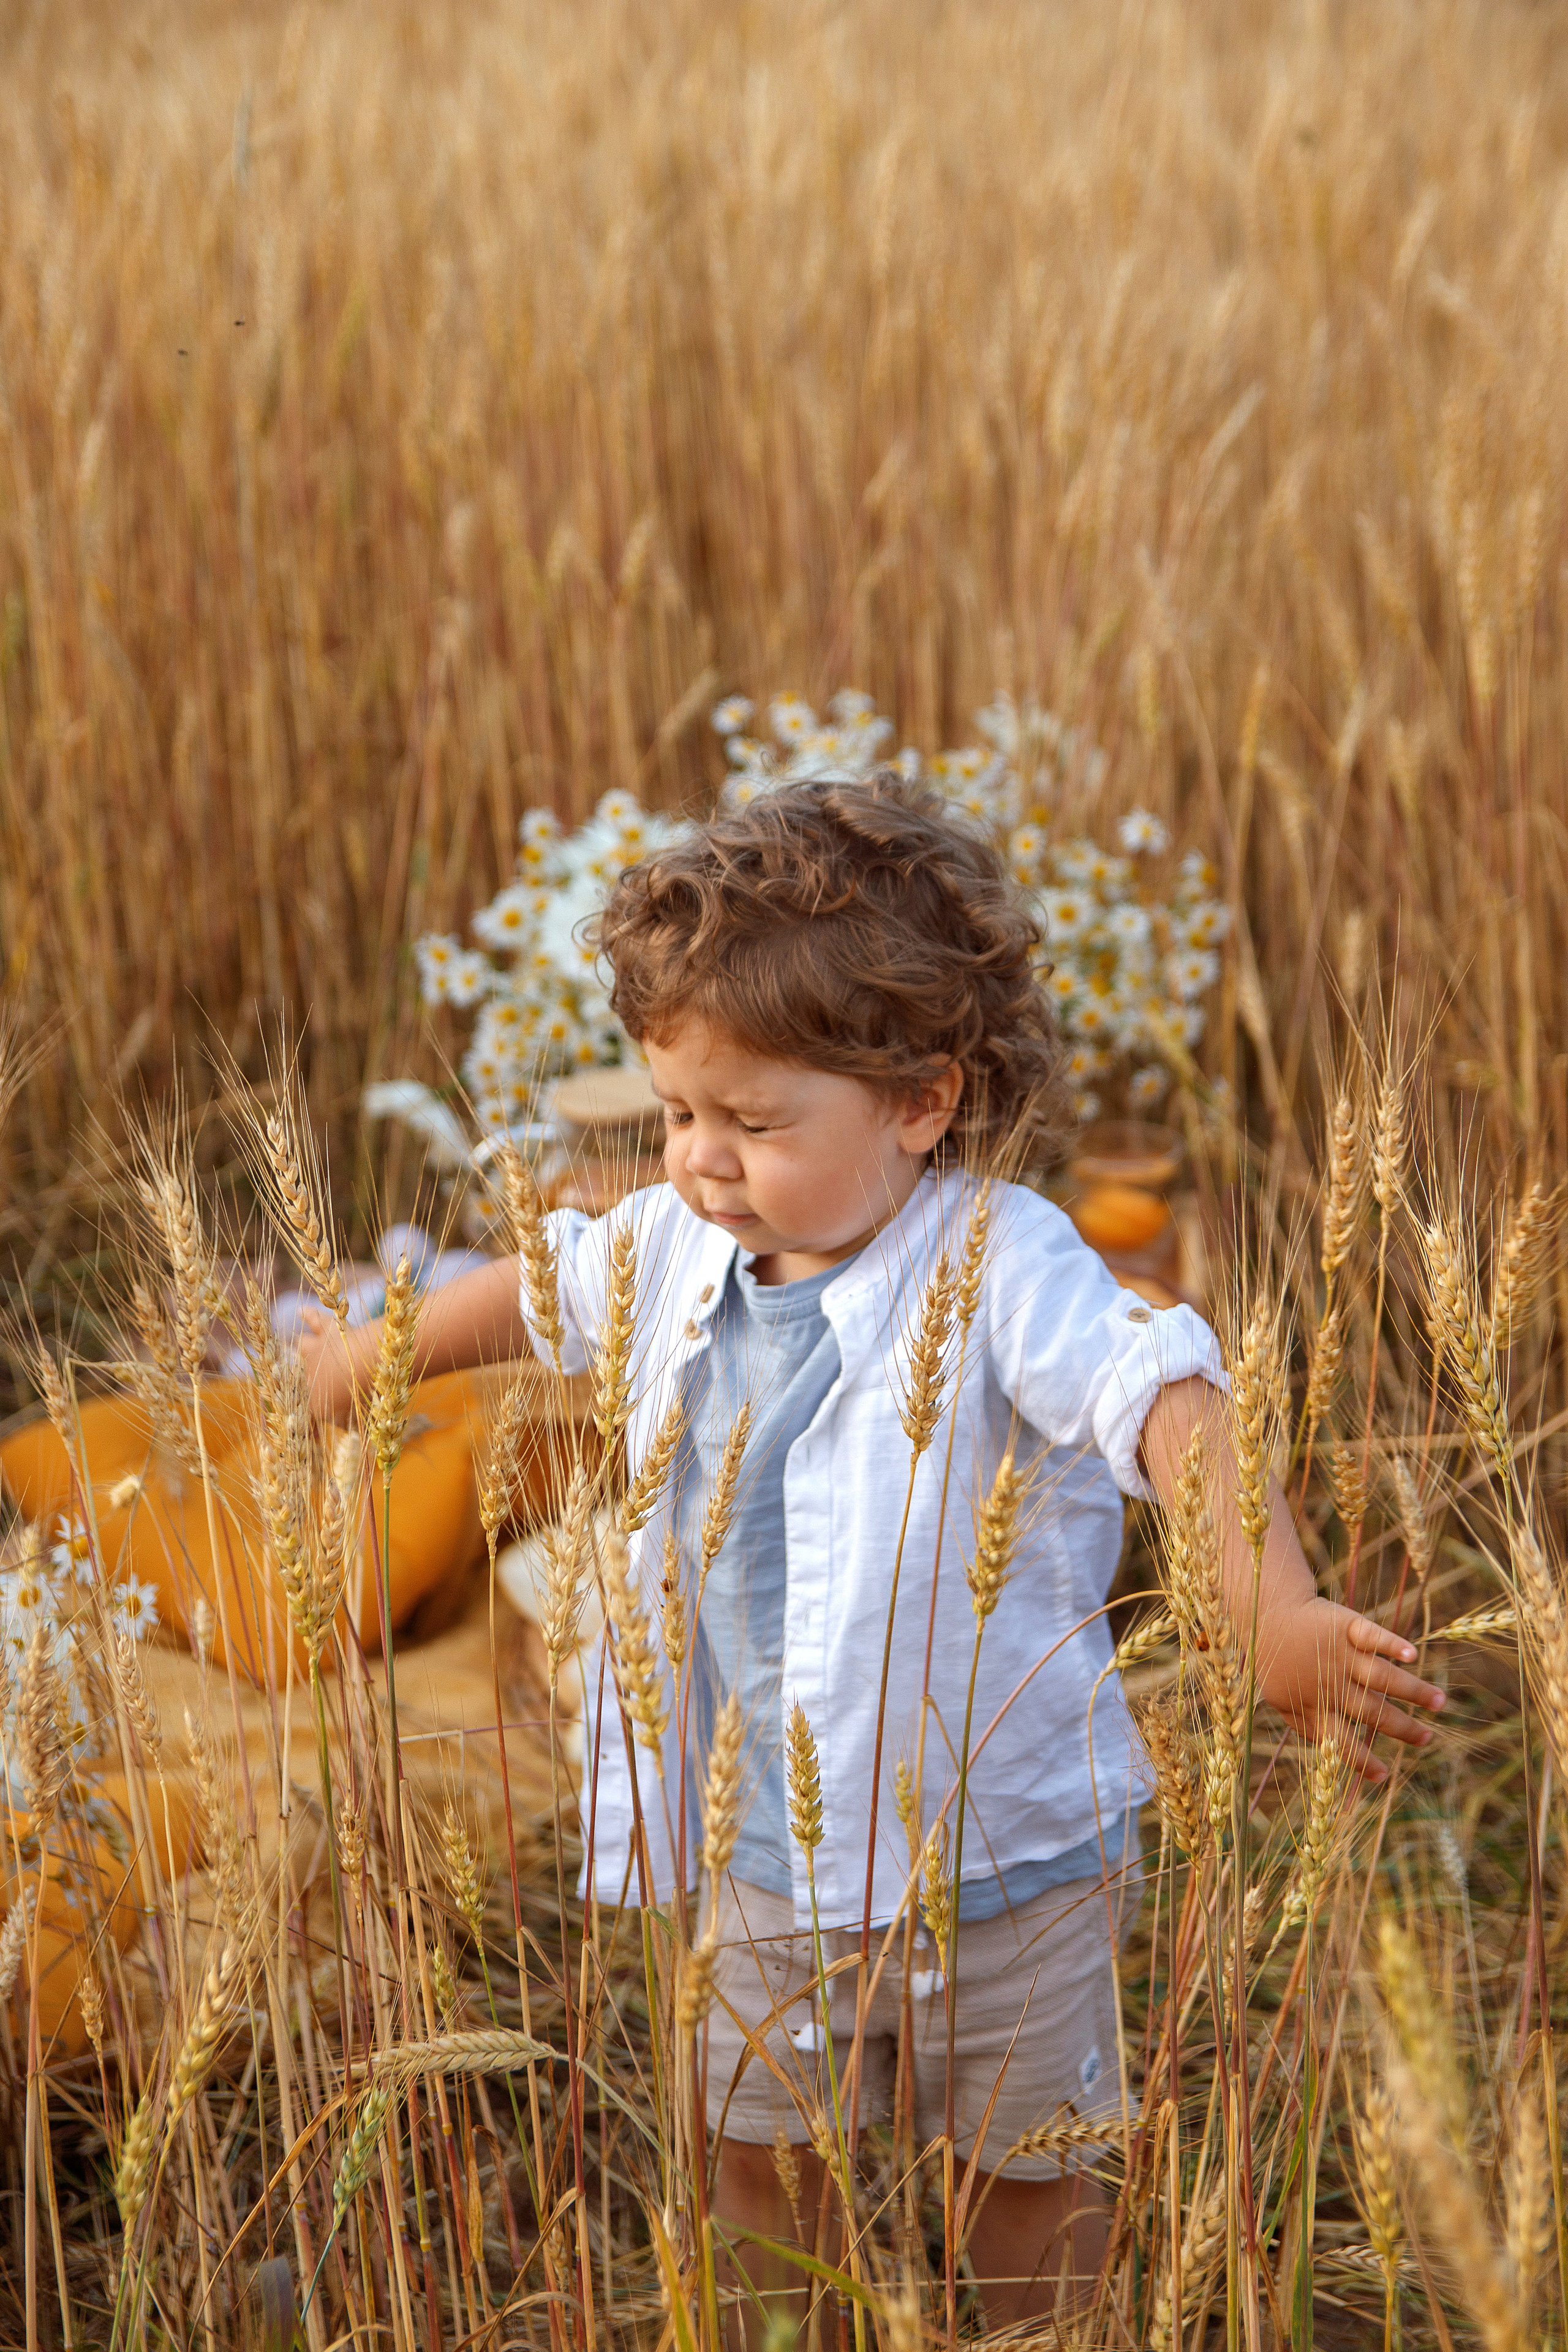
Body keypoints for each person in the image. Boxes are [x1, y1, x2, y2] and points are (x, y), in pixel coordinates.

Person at [301, 775, 1445, 2333]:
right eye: (680, 1112)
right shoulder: (673, 1237)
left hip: (1001, 1856)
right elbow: (536, 1283)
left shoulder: (1000, 1260)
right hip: (765, 1838)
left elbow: (1167, 1394)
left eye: (754, 1122)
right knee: (757, 2158)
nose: (699, 1158)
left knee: (1024, 2176)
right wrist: (369, 1362)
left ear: (921, 1101)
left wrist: (1277, 1612)